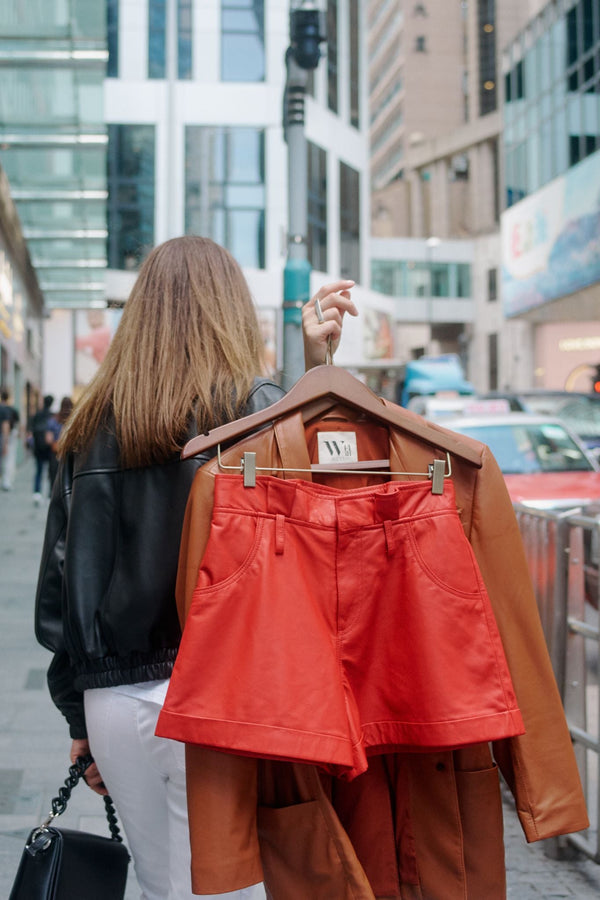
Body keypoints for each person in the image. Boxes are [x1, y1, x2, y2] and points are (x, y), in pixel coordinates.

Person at [34, 234, 357, 900]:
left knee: (162, 886)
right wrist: (314, 371)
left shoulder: (94, 419)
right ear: (230, 309)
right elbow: (320, 534)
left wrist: (79, 717)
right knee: (231, 890)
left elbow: (59, 590)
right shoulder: (257, 408)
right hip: (222, 696)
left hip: (115, 698)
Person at [29, 394, 54, 504]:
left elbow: (31, 431)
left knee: (39, 470)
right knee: (50, 471)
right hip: (49, 447)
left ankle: (37, 493)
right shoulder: (52, 416)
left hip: (38, 447)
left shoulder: (37, 415)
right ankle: (49, 494)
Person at [46, 396, 74, 487]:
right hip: (71, 455)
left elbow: (48, 439)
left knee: (54, 480)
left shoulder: (53, 420)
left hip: (56, 454)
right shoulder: (74, 421)